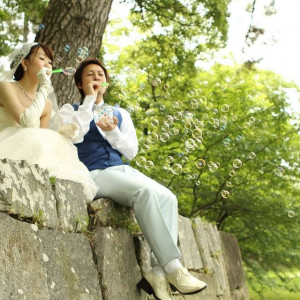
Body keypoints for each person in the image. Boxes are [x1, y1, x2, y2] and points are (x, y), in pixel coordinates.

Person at [57, 58, 207, 300]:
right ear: (79, 83)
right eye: (90, 75)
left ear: (106, 81)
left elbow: (131, 152)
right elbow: (73, 137)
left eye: (100, 74)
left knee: (168, 197)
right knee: (145, 193)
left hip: (123, 171)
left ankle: (157, 273)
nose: (96, 78)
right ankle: (174, 268)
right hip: (93, 173)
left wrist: (112, 132)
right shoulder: (69, 110)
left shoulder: (120, 113)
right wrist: (88, 101)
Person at [0, 42, 97, 200]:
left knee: (57, 142)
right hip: (6, 147)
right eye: (42, 58)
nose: (48, 64)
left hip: (29, 155)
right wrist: (44, 85)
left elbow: (41, 140)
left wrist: (61, 134)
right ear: (24, 63)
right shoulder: (6, 87)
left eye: (50, 62)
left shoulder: (46, 104)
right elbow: (28, 122)